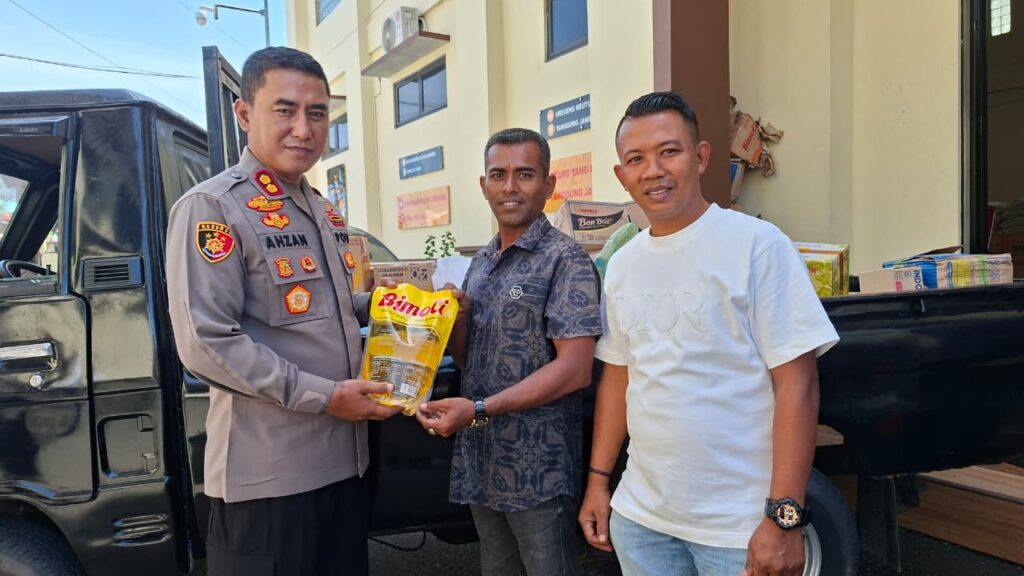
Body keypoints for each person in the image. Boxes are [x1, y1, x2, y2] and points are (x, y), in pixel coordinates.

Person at [578, 91, 839, 576]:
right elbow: (618, 378)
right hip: (641, 521)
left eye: (669, 151)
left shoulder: (757, 246)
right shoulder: (623, 265)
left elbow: (798, 385)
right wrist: (598, 482)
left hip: (739, 529)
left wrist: (784, 519)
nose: (653, 170)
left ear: (700, 157)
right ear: (621, 175)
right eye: (636, 159)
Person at [166, 46, 401, 576]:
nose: (303, 128)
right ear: (244, 113)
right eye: (285, 110)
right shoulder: (214, 207)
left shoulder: (320, 208)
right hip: (271, 483)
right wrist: (326, 397)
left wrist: (396, 307)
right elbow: (206, 341)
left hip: (346, 468)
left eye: (317, 113)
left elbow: (327, 310)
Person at [415, 128, 602, 575]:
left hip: (539, 470)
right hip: (483, 461)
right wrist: (459, 319)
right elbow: (471, 361)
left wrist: (479, 409)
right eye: (498, 175)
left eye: (525, 174)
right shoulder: (481, 262)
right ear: (484, 185)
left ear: (548, 185)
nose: (510, 186)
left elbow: (576, 369)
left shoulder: (566, 260)